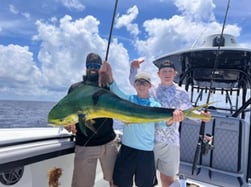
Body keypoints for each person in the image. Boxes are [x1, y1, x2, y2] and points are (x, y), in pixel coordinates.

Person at [99, 61, 184, 187]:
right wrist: (109, 73)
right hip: (127, 149)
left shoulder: (155, 105)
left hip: (146, 152)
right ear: (135, 84)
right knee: (119, 184)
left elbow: (161, 124)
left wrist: (173, 119)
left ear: (150, 86)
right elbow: (115, 90)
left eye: (144, 83)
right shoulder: (129, 100)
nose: (141, 85)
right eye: (139, 82)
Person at [129, 59, 210, 187]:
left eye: (170, 71)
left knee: (168, 180)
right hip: (150, 141)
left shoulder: (181, 92)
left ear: (175, 74)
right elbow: (134, 81)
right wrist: (134, 67)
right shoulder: (152, 89)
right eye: (164, 71)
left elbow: (189, 111)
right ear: (158, 74)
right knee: (146, 180)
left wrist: (202, 117)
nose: (167, 73)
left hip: (171, 143)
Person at [65, 53, 118, 187]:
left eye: (96, 65)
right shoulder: (75, 88)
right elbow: (66, 112)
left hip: (109, 144)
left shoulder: (107, 87)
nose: (92, 68)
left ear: (100, 67)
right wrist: (68, 123)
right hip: (85, 145)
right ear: (85, 67)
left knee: (117, 181)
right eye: (89, 65)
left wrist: (108, 76)